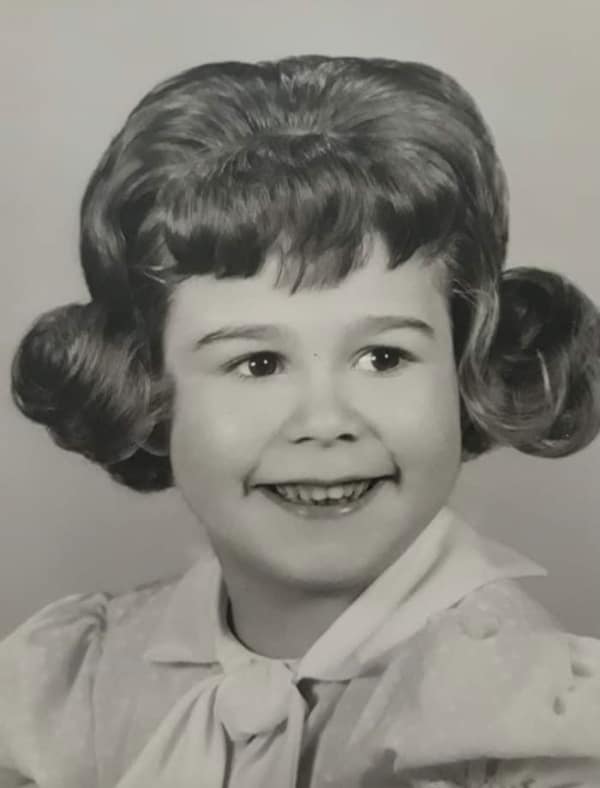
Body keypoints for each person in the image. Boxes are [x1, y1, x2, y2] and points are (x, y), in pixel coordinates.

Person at [1, 55, 599, 788]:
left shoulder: (534, 722)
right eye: (257, 364)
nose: (326, 421)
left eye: (383, 357)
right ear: (148, 388)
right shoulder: (71, 687)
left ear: (468, 367)